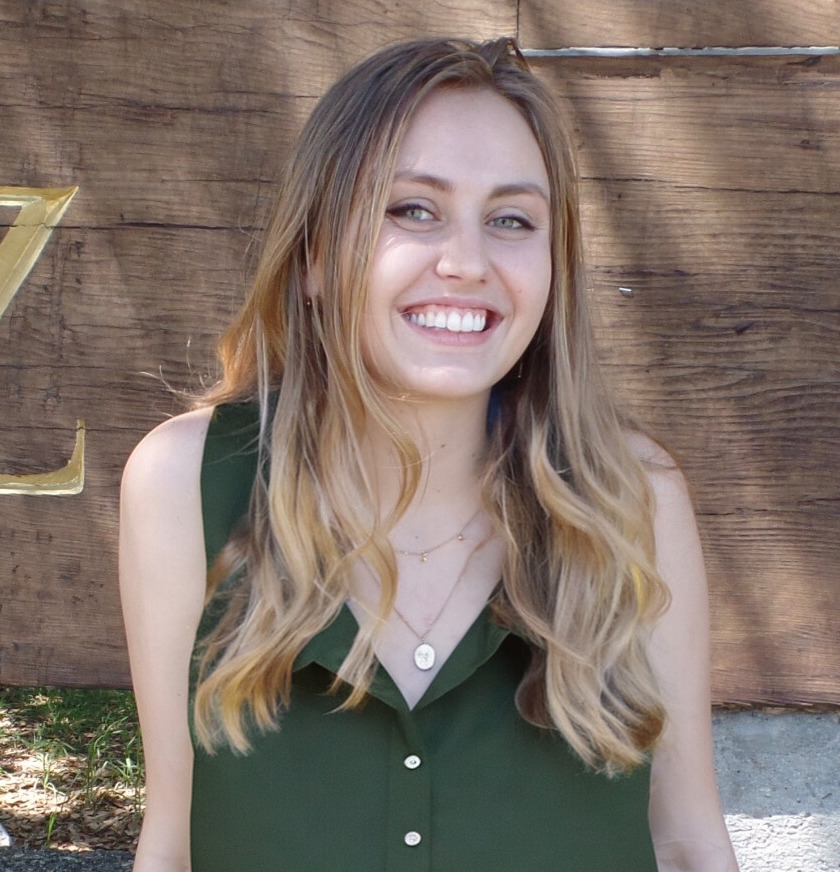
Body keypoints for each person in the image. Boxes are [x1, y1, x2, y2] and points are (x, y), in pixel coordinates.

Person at [119, 37, 739, 872]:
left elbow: (688, 842)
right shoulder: (184, 485)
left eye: (511, 220)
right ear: (312, 254)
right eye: (413, 209)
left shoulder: (632, 497)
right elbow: (173, 845)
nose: (467, 263)